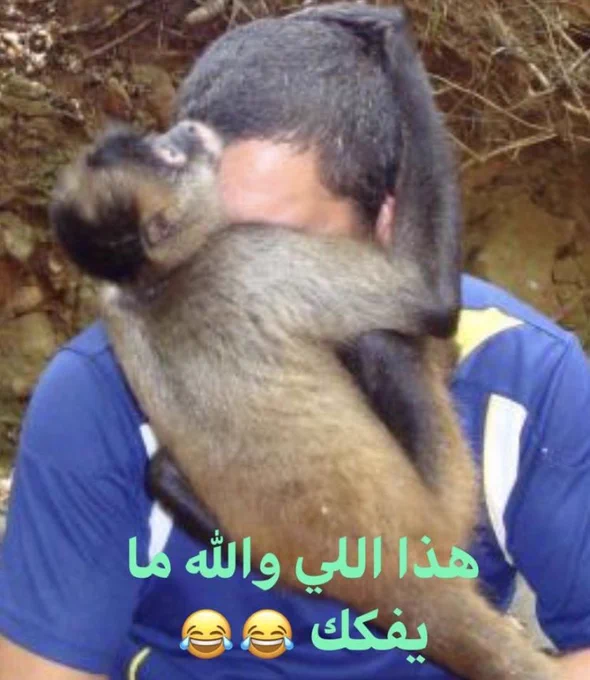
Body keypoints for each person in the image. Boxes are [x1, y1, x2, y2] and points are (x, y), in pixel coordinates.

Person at [1, 9, 589, 680]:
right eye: (215, 235)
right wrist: (399, 54)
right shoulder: (94, 390)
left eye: (270, 243)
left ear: (391, 222)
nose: (236, 272)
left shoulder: (520, 369)